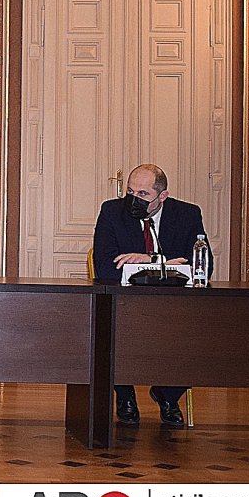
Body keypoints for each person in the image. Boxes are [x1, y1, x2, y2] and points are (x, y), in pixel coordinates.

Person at [92, 163, 206, 428]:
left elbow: (202, 264)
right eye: (130, 192)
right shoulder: (112, 212)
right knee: (109, 324)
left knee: (197, 330)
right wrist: (167, 263)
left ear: (162, 196)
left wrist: (150, 260)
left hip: (173, 304)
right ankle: (125, 395)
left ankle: (168, 395)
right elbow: (105, 266)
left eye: (143, 194)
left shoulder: (187, 214)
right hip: (127, 302)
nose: (134, 200)